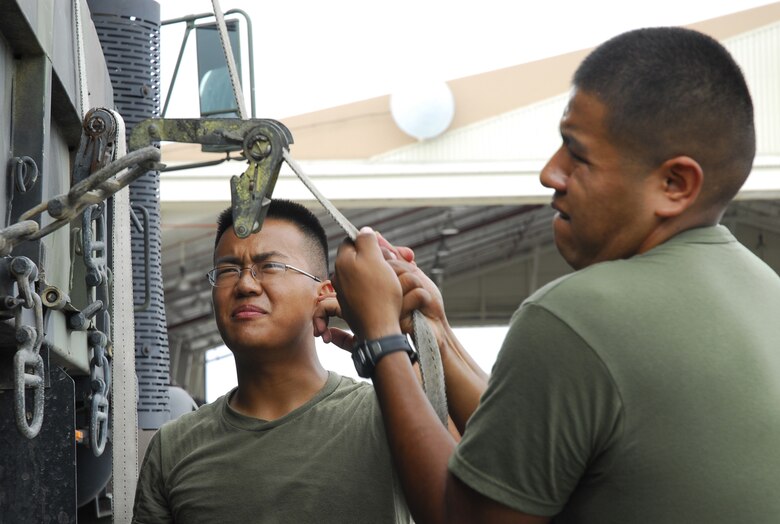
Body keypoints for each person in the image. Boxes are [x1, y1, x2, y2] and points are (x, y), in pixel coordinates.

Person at [331, 27, 780, 523]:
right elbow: (537, 451)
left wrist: (382, 342)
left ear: (674, 184)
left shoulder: (577, 315)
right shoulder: (766, 293)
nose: (550, 173)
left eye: (578, 155)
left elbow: (461, 518)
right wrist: (436, 336)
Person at [132, 199, 415, 523]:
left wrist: (383, 337)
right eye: (227, 270)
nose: (245, 284)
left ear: (324, 292)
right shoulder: (174, 448)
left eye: (270, 266)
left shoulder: (385, 415)